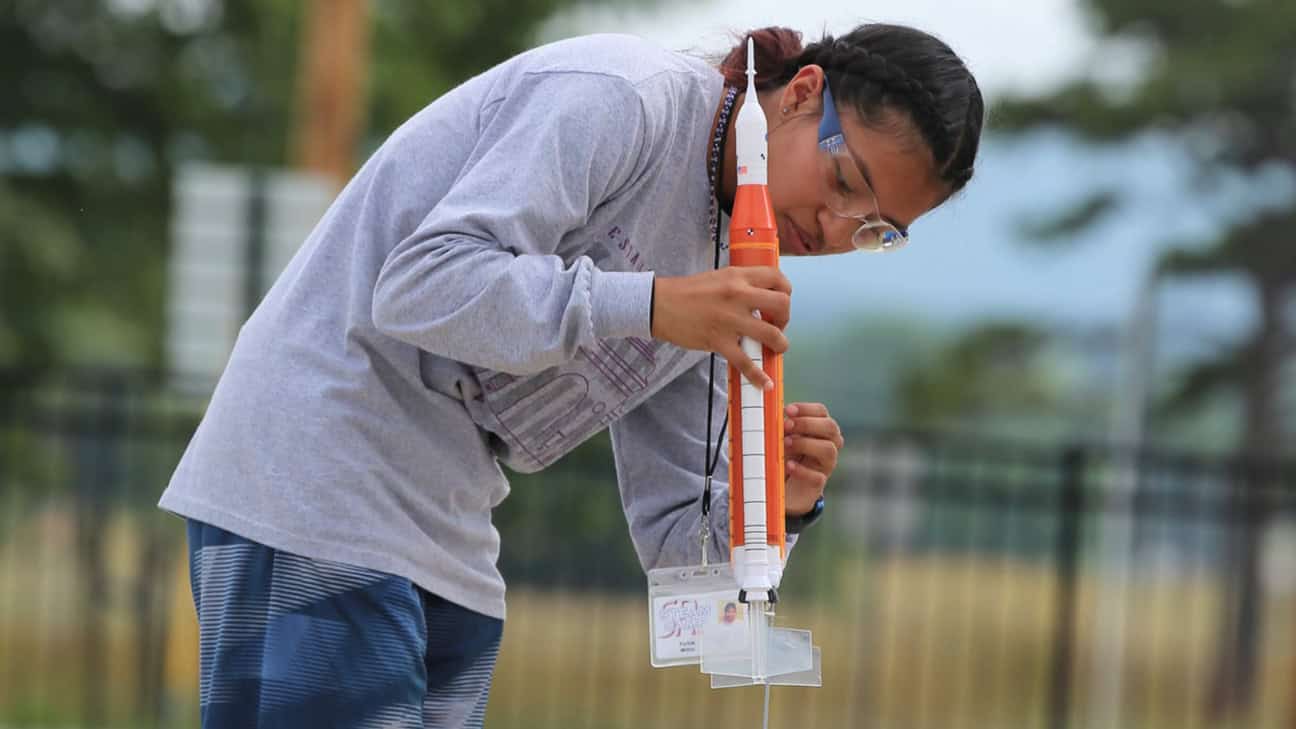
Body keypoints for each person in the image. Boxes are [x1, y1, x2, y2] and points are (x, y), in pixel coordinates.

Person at [160, 21, 983, 729]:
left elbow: (687, 583)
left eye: (875, 230)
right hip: (313, 468)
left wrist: (782, 509)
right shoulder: (621, 97)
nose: (837, 227)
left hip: (445, 524)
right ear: (803, 92)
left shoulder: (724, 271)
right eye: (844, 181)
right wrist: (653, 305)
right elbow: (419, 286)